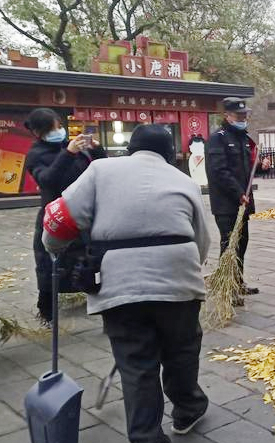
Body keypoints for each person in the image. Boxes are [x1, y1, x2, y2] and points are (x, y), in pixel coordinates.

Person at [42, 124, 211, 443]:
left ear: (131, 149)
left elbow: (61, 219)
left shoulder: (100, 170)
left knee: (136, 363)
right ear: (170, 154)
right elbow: (201, 242)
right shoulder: (185, 181)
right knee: (182, 350)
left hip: (119, 285)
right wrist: (186, 270)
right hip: (179, 279)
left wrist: (52, 247)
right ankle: (188, 408)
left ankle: (146, 436)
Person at [24, 107, 105, 327]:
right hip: (57, 213)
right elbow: (48, 180)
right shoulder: (36, 154)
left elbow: (98, 169)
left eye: (60, 126)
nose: (59, 131)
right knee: (49, 262)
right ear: (39, 133)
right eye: (54, 128)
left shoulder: (70, 147)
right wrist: (67, 154)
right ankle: (46, 310)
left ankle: (94, 296)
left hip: (84, 211)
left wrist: (97, 150)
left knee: (89, 258)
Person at [206, 97, 258, 296]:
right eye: (239, 115)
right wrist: (238, 194)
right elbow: (219, 172)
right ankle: (226, 287)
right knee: (229, 245)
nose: (243, 119)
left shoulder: (244, 138)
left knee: (242, 243)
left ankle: (237, 281)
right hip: (226, 204)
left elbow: (246, 169)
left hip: (243, 203)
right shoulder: (217, 139)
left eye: (245, 115)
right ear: (227, 116)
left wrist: (261, 166)